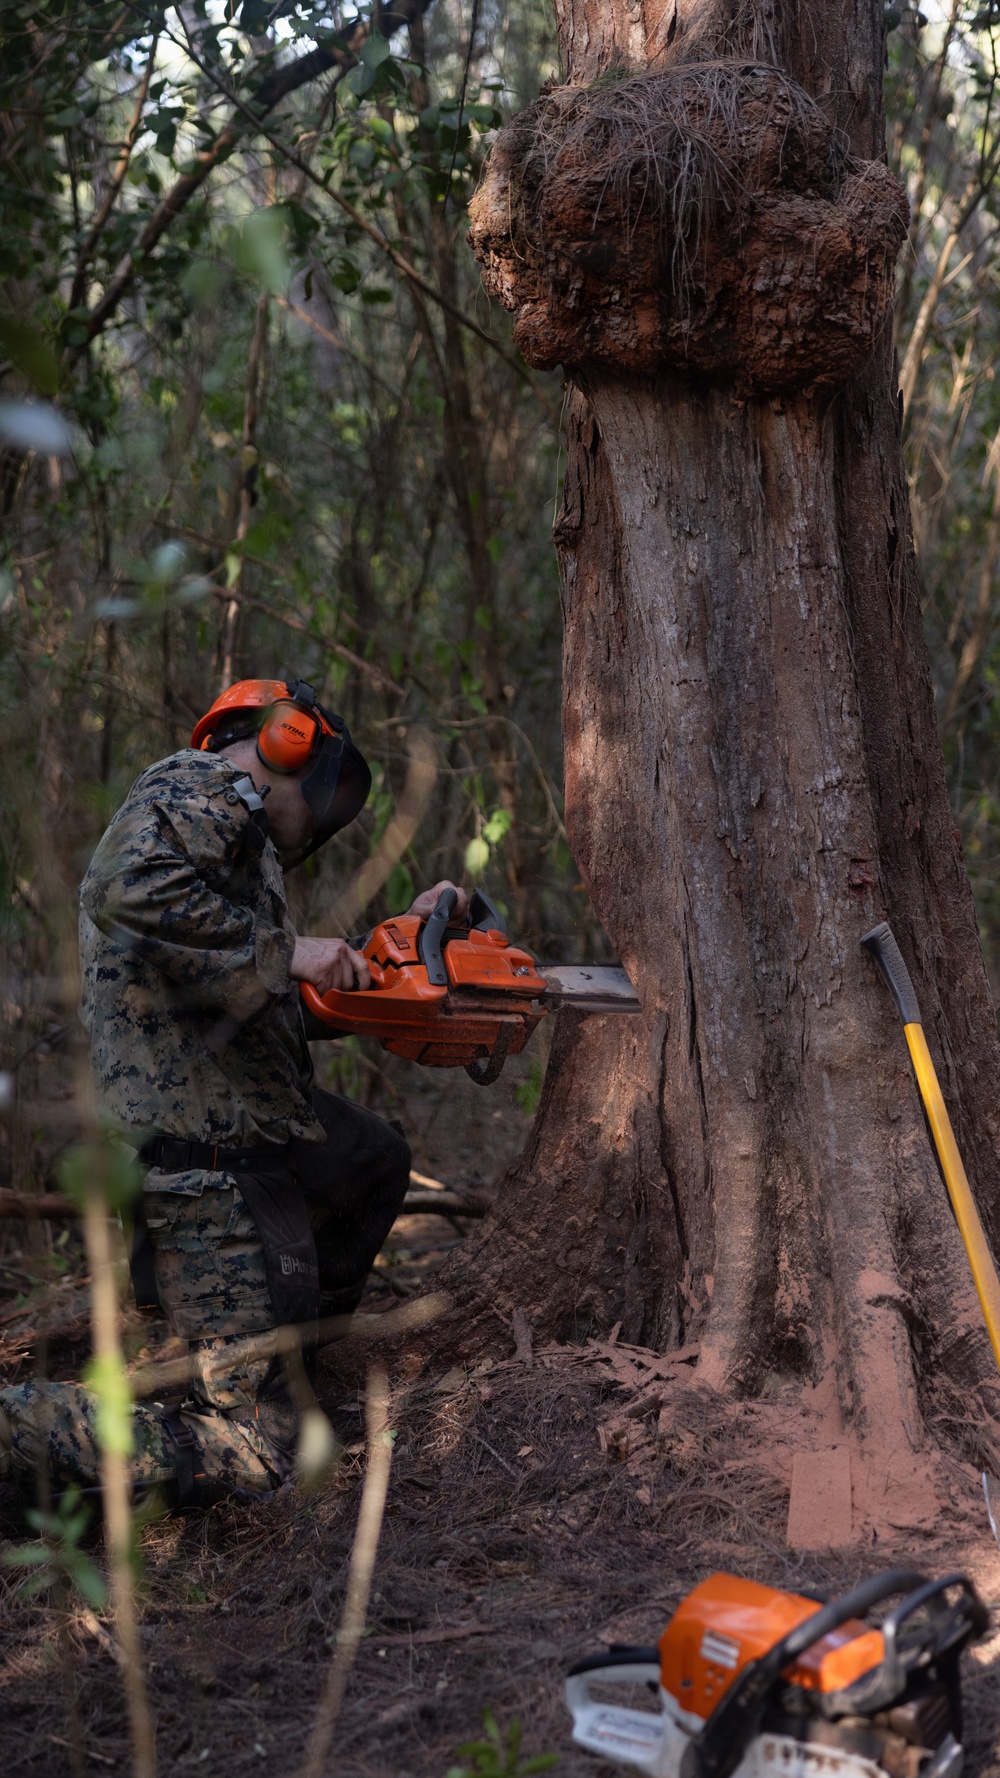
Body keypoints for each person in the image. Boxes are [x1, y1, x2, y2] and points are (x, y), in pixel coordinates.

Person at [0, 675, 467, 1507]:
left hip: (251, 1125)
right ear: (288, 746)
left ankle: (285, 1356)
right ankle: (23, 1424)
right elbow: (120, 887)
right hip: (204, 1162)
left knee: (369, 1159)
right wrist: (292, 951)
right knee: (257, 1454)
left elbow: (263, 988)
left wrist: (393, 972)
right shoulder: (202, 785)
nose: (324, 821)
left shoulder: (235, 848)